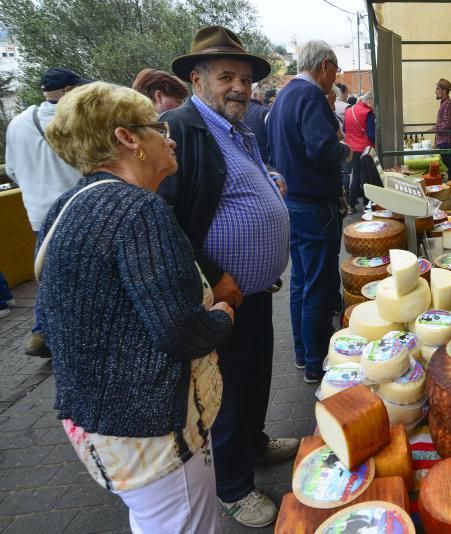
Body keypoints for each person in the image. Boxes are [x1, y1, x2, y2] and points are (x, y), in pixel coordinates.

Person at [38, 81, 234, 533]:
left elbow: (49, 318)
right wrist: (220, 319)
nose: (170, 138)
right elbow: (180, 331)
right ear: (127, 138)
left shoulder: (67, 205)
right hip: (153, 428)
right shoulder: (140, 211)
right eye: (158, 128)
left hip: (100, 423)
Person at [159, 25, 296, 527]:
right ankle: (234, 487)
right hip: (220, 296)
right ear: (196, 80)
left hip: (254, 292)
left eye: (244, 78)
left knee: (255, 377)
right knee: (228, 392)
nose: (239, 87)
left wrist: (268, 183)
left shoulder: (238, 129)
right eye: (226, 77)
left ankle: (253, 444)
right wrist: (214, 276)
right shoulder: (181, 129)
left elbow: (233, 186)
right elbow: (165, 221)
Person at [267, 40, 352, 384]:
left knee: (301, 282)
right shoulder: (311, 95)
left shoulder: (285, 95)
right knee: (317, 283)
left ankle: (304, 354)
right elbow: (322, 149)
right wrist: (344, 150)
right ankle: (317, 361)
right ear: (325, 65)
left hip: (293, 202)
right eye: (336, 70)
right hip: (314, 205)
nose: (335, 77)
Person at [5, 66, 88, 357]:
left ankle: (42, 330)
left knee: (50, 273)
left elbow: (12, 170)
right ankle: (72, 337)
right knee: (84, 276)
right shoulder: (78, 121)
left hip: (39, 214)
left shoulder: (17, 122)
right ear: (69, 90)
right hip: (78, 209)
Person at [344, 92, 376, 211]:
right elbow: (371, 134)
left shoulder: (348, 111)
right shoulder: (367, 112)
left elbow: (345, 129)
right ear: (369, 101)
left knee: (356, 175)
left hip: (351, 148)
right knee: (366, 176)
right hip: (365, 148)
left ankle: (351, 204)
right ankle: (367, 204)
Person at [431, 78, 451, 180]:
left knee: (449, 169)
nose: (436, 91)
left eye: (437, 89)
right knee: (449, 169)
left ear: (444, 91)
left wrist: (433, 129)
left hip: (447, 142)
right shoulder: (445, 103)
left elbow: (447, 123)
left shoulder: (447, 104)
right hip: (445, 142)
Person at [244, 83, 270, 163]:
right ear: (255, 95)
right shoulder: (264, 111)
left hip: (244, 160)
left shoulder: (238, 111)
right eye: (261, 94)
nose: (263, 97)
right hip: (264, 160)